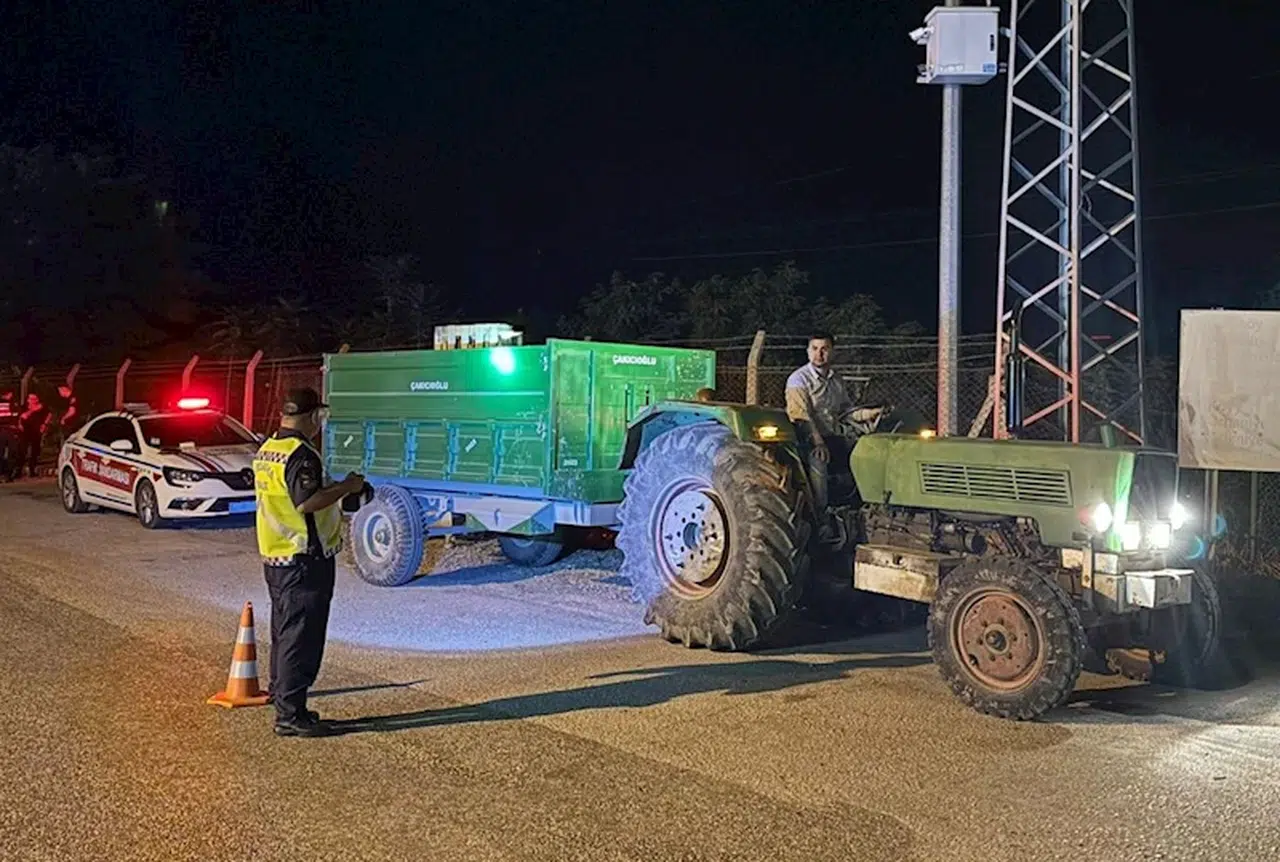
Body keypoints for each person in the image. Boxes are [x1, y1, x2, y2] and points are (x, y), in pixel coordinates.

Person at [253, 387, 366, 737]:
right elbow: (307, 501)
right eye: (321, 416)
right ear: (312, 416)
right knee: (301, 636)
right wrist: (348, 487)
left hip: (277, 553)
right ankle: (290, 716)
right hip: (304, 557)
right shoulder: (301, 454)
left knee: (285, 631)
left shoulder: (269, 448)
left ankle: (283, 697)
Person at [785, 334, 888, 519]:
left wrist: (870, 414)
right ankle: (820, 516)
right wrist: (818, 443)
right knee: (819, 463)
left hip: (832, 436)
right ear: (808, 351)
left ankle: (863, 509)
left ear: (832, 351)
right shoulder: (798, 380)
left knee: (865, 454)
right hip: (806, 440)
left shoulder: (836, 380)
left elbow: (847, 411)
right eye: (815, 348)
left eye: (824, 349)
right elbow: (801, 416)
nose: (819, 354)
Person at [14, 393, 51, 480]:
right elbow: (22, 417)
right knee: (22, 451)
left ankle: (32, 470)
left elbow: (49, 415)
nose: (32, 400)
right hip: (25, 432)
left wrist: (44, 425)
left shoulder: (42, 407)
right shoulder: (24, 407)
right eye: (31, 399)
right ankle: (18, 471)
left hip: (36, 431)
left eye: (34, 398)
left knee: (35, 451)